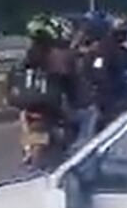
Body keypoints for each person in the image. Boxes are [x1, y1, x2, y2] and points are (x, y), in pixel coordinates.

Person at [11, 16, 80, 165]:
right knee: (77, 121)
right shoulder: (59, 59)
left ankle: (28, 148)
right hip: (48, 107)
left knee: (25, 118)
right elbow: (72, 84)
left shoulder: (24, 62)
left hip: (31, 108)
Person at [79, 16, 127, 134]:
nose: (125, 37)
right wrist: (101, 84)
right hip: (105, 92)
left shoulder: (122, 51)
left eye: (126, 34)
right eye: (122, 33)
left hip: (118, 89)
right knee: (104, 117)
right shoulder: (103, 49)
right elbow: (97, 69)